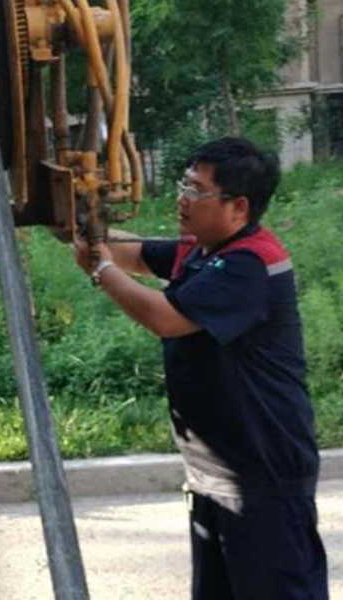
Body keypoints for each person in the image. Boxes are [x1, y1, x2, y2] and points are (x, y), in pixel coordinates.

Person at [70, 137, 328, 599]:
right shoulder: (203, 249)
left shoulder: (250, 263)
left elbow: (164, 319)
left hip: (262, 474)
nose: (182, 199)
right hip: (217, 472)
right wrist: (81, 223)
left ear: (238, 206)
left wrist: (103, 270)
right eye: (182, 185)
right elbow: (132, 251)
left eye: (195, 190)